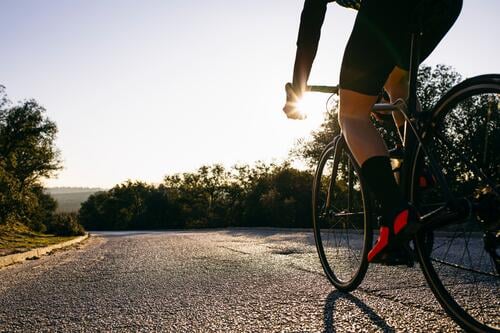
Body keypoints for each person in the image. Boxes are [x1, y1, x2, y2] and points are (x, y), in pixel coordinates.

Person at [284, 0, 462, 264]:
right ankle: (417, 169)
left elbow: (310, 25)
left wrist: (297, 87)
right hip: (445, 7)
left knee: (351, 115)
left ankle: (396, 213)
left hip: (389, 8)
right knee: (397, 80)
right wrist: (373, 87)